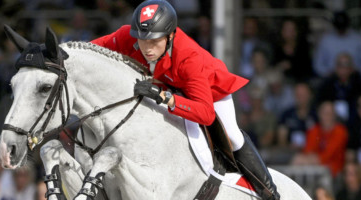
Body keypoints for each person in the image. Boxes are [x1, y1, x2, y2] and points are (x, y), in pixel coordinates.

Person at [91, 1, 279, 199]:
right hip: (167, 88)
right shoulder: (127, 35)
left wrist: (165, 98)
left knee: (231, 135)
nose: (147, 48)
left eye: (154, 41)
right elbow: (88, 51)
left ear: (170, 35)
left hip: (210, 92)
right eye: (143, 40)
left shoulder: (189, 57)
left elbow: (206, 114)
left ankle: (269, 192)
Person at [293, 101, 348, 176]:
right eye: (325, 113)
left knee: (300, 160)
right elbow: (308, 151)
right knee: (298, 159)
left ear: (334, 116)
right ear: (319, 114)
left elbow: (329, 154)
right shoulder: (314, 130)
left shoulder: (340, 131)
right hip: (314, 166)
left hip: (333, 169)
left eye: (330, 114)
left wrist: (315, 159)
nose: (328, 117)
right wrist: (312, 159)